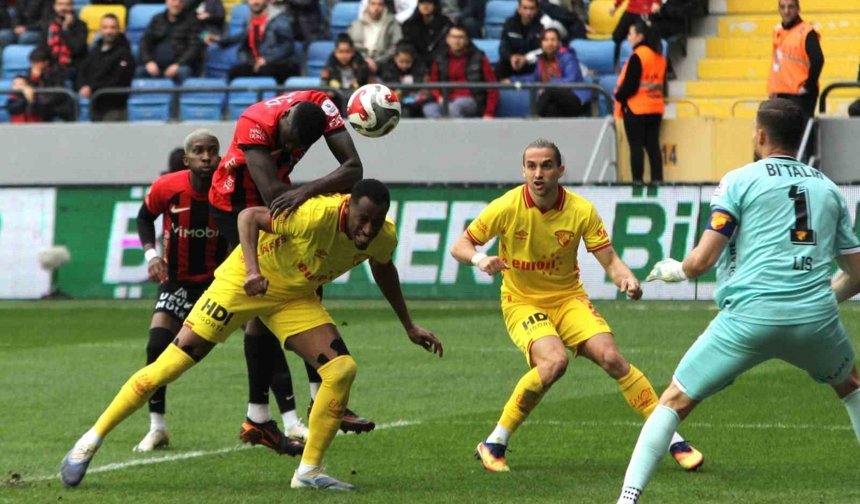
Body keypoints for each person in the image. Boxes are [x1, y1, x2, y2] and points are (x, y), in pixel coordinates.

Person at [60, 179, 444, 490]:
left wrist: (408, 324)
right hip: (243, 284)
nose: (367, 229)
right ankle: (88, 443)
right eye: (363, 219)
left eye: (375, 223)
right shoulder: (313, 215)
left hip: (292, 298)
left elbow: (383, 267)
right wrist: (251, 270)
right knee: (169, 366)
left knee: (341, 369)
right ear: (348, 207)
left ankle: (308, 471)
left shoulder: (382, 236)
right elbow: (247, 217)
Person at [615, 98, 860, 504]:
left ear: (760, 135)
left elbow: (704, 259)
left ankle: (627, 498)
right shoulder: (828, 188)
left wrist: (677, 269)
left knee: (674, 401)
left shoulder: (739, 180)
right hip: (814, 321)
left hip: (747, 320)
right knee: (851, 386)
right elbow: (857, 274)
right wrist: (820, 302)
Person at [449, 138, 703, 474]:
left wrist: (626, 280)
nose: (538, 173)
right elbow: (460, 245)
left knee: (612, 358)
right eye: (532, 166)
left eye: (546, 166)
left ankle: (673, 439)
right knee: (554, 362)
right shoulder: (507, 206)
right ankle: (495, 442)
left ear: (560, 170)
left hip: (568, 298)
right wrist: (480, 259)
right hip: (522, 301)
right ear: (524, 170)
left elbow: (611, 261)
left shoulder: (580, 210)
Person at [208, 89, 375, 453]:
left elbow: (355, 169)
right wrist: (307, 199)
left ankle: (265, 416)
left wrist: (307, 191)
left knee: (297, 290)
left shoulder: (322, 104)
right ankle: (271, 414)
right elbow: (271, 194)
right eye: (286, 143)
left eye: (297, 147)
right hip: (237, 205)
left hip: (284, 197)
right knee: (273, 299)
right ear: (283, 120)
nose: (289, 149)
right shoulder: (254, 123)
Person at [131, 130, 251, 453]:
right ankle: (157, 428)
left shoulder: (232, 187)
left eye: (212, 151)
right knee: (157, 344)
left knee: (259, 338)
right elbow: (144, 219)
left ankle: (279, 416)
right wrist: (152, 255)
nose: (207, 157)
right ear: (187, 159)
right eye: (199, 151)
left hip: (220, 281)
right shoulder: (167, 187)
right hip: (179, 281)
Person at [614, 20, 666, 184]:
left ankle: (637, 182)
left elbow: (630, 86)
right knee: (653, 147)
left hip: (636, 108)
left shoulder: (638, 56)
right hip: (655, 108)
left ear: (640, 36)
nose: (629, 37)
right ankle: (658, 181)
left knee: (636, 148)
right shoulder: (659, 57)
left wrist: (618, 96)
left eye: (631, 34)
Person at [423, 23, 498, 119]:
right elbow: (433, 83)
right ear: (447, 39)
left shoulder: (479, 58)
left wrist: (489, 113)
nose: (456, 41)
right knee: (429, 109)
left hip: (472, 99)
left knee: (454, 107)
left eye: (460, 37)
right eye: (453, 37)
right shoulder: (439, 58)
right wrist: (439, 97)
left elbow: (492, 87)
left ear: (466, 40)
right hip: (446, 98)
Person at [217, 0, 299, 84]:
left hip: (280, 64)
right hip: (257, 63)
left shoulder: (279, 18)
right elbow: (243, 38)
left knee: (264, 71)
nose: (255, 2)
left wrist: (267, 60)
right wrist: (219, 40)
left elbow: (288, 46)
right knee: (234, 72)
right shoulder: (249, 19)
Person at [767, 0, 824, 121]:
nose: (786, 11)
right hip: (781, 93)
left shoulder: (806, 31)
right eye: (782, 7)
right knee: (783, 136)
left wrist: (808, 86)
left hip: (799, 96)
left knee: (800, 135)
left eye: (790, 7)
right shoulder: (777, 31)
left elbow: (818, 60)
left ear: (798, 9)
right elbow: (777, 62)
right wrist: (772, 88)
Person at [77, 14, 136, 122]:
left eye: (113, 27)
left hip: (114, 107)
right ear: (100, 29)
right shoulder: (94, 50)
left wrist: (92, 88)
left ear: (119, 30)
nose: (108, 31)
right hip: (95, 105)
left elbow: (118, 80)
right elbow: (83, 69)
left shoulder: (125, 54)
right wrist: (82, 86)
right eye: (105, 27)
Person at [522, 27, 590, 117]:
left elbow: (572, 79)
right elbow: (534, 78)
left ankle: (533, 117)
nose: (550, 43)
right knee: (551, 109)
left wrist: (548, 86)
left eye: (553, 40)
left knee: (551, 88)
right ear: (541, 43)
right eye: (546, 40)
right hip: (557, 103)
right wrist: (512, 80)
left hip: (576, 98)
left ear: (558, 43)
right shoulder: (541, 60)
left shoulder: (568, 57)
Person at [138, 0, 204, 84]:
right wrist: (148, 61)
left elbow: (194, 47)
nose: (176, 4)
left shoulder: (192, 21)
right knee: (139, 72)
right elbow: (144, 42)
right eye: (173, 1)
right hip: (155, 64)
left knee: (183, 71)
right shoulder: (157, 19)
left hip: (179, 65)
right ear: (167, 2)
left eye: (180, 1)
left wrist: (178, 64)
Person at [6, 46, 74, 123]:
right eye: (32, 62)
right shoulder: (29, 75)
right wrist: (34, 80)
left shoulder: (56, 73)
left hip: (55, 109)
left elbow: (57, 95)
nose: (34, 65)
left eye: (37, 62)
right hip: (38, 109)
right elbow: (28, 91)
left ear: (46, 62)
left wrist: (39, 101)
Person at [321, 33, 373, 111]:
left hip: (360, 104)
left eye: (347, 52)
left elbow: (370, 85)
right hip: (337, 104)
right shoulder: (330, 66)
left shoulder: (362, 65)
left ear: (353, 52)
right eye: (341, 52)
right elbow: (323, 86)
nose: (344, 55)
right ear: (335, 52)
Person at [348, 0, 402, 75]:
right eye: (373, 4)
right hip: (361, 61)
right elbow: (351, 45)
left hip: (384, 62)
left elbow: (396, 46)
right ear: (368, 6)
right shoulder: (356, 24)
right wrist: (366, 60)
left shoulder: (392, 23)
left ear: (384, 7)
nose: (376, 8)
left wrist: (376, 61)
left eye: (380, 4)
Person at [38, 0, 88, 81]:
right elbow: (42, 48)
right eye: (60, 4)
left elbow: (77, 49)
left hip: (73, 68)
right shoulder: (47, 25)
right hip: (51, 67)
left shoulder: (81, 26)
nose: (63, 8)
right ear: (54, 6)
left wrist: (66, 29)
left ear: (72, 6)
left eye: (67, 5)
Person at [378, 41, 429, 118]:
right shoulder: (388, 68)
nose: (404, 65)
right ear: (395, 58)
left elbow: (422, 88)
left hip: (416, 103)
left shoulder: (419, 67)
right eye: (401, 62)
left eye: (408, 62)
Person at [496, 0, 542, 82]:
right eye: (525, 8)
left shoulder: (543, 25)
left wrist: (526, 58)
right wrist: (511, 57)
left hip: (532, 63)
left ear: (536, 10)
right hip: (514, 62)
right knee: (501, 65)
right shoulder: (509, 23)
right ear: (519, 9)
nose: (528, 12)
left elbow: (544, 50)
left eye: (531, 9)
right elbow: (503, 47)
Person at [401, 0, 452, 68]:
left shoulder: (445, 23)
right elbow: (407, 44)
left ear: (435, 5)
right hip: (416, 61)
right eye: (422, 3)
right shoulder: (409, 24)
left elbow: (446, 45)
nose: (425, 6)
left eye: (429, 3)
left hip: (439, 61)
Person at [610, 0, 660, 69]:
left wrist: (656, 2)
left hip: (645, 11)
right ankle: (613, 65)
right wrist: (616, 5)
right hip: (630, 10)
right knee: (617, 37)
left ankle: (647, 67)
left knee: (645, 41)